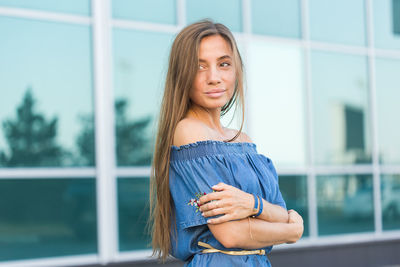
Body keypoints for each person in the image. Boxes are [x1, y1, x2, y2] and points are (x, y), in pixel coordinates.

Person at [150, 20, 304, 267]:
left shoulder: (245, 142)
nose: (214, 77)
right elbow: (230, 234)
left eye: (223, 64)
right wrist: (291, 231)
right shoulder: (188, 132)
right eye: (199, 66)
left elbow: (281, 213)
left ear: (236, 70)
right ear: (182, 75)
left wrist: (252, 204)